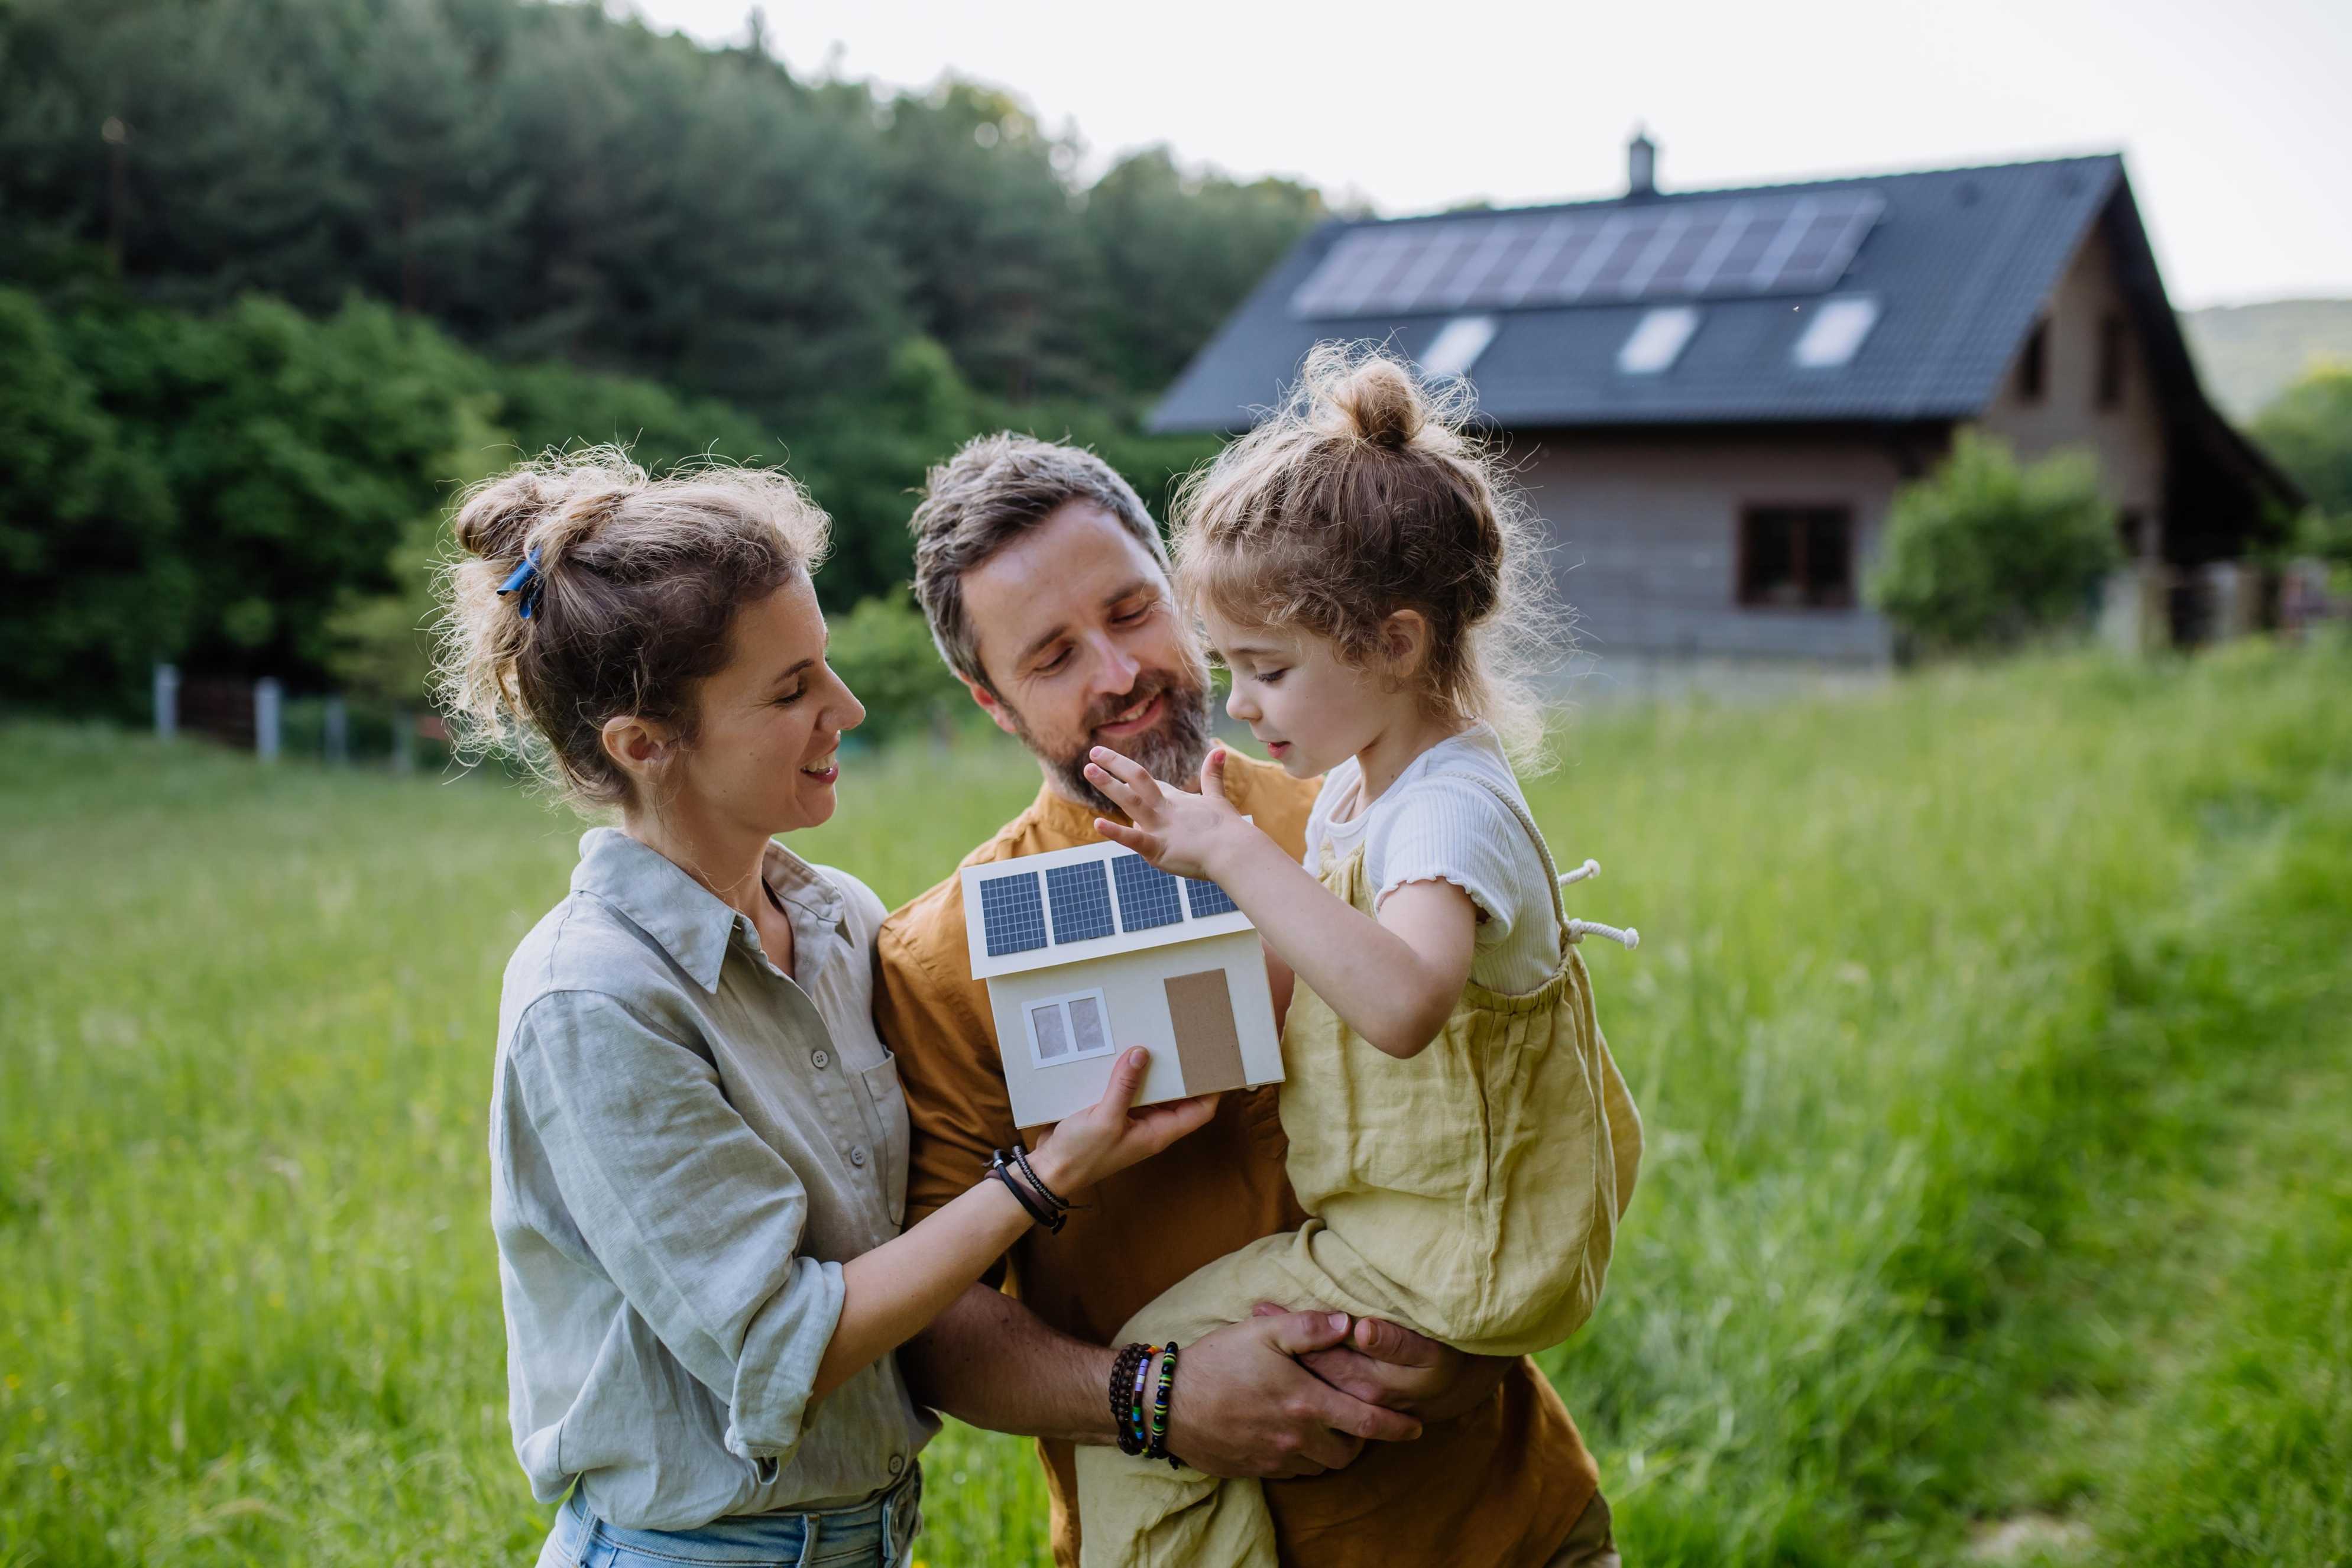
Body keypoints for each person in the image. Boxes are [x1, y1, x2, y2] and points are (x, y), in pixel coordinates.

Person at [436, 449, 1215, 1568]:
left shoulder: (843, 920)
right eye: (790, 690)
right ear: (644, 747)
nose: (843, 709)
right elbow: (776, 1347)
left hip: (869, 1536)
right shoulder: (593, 998)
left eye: (827, 667)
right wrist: (1041, 1182)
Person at [875, 432, 1625, 1567]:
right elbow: (936, 1328)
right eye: (1052, 657)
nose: (1117, 673)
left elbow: (1521, 1114)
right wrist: (1152, 1397)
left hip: (1500, 1520)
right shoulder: (940, 959)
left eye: (1131, 612)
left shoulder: (1365, 809)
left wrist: (1461, 1338)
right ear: (992, 701)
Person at [1071, 346, 1644, 1566]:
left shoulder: (1446, 812)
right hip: (1410, 1231)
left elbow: (1399, 1007)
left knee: (1145, 1396)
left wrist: (1235, 854)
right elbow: (1319, 991)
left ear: (1392, 642)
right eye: (1231, 667)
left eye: (1268, 671)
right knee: (1170, 1394)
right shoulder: (1365, 790)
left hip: (1453, 1254)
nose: (1242, 704)